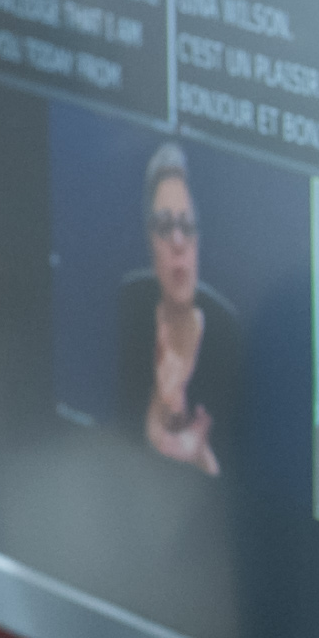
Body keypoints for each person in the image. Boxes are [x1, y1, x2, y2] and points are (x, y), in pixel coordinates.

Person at [112, 140, 245, 475]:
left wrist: (203, 462)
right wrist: (159, 401)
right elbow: (113, 443)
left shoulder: (226, 331)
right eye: (164, 227)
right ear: (149, 241)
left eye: (187, 226)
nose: (177, 242)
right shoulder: (132, 305)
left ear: (199, 239)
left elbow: (237, 483)